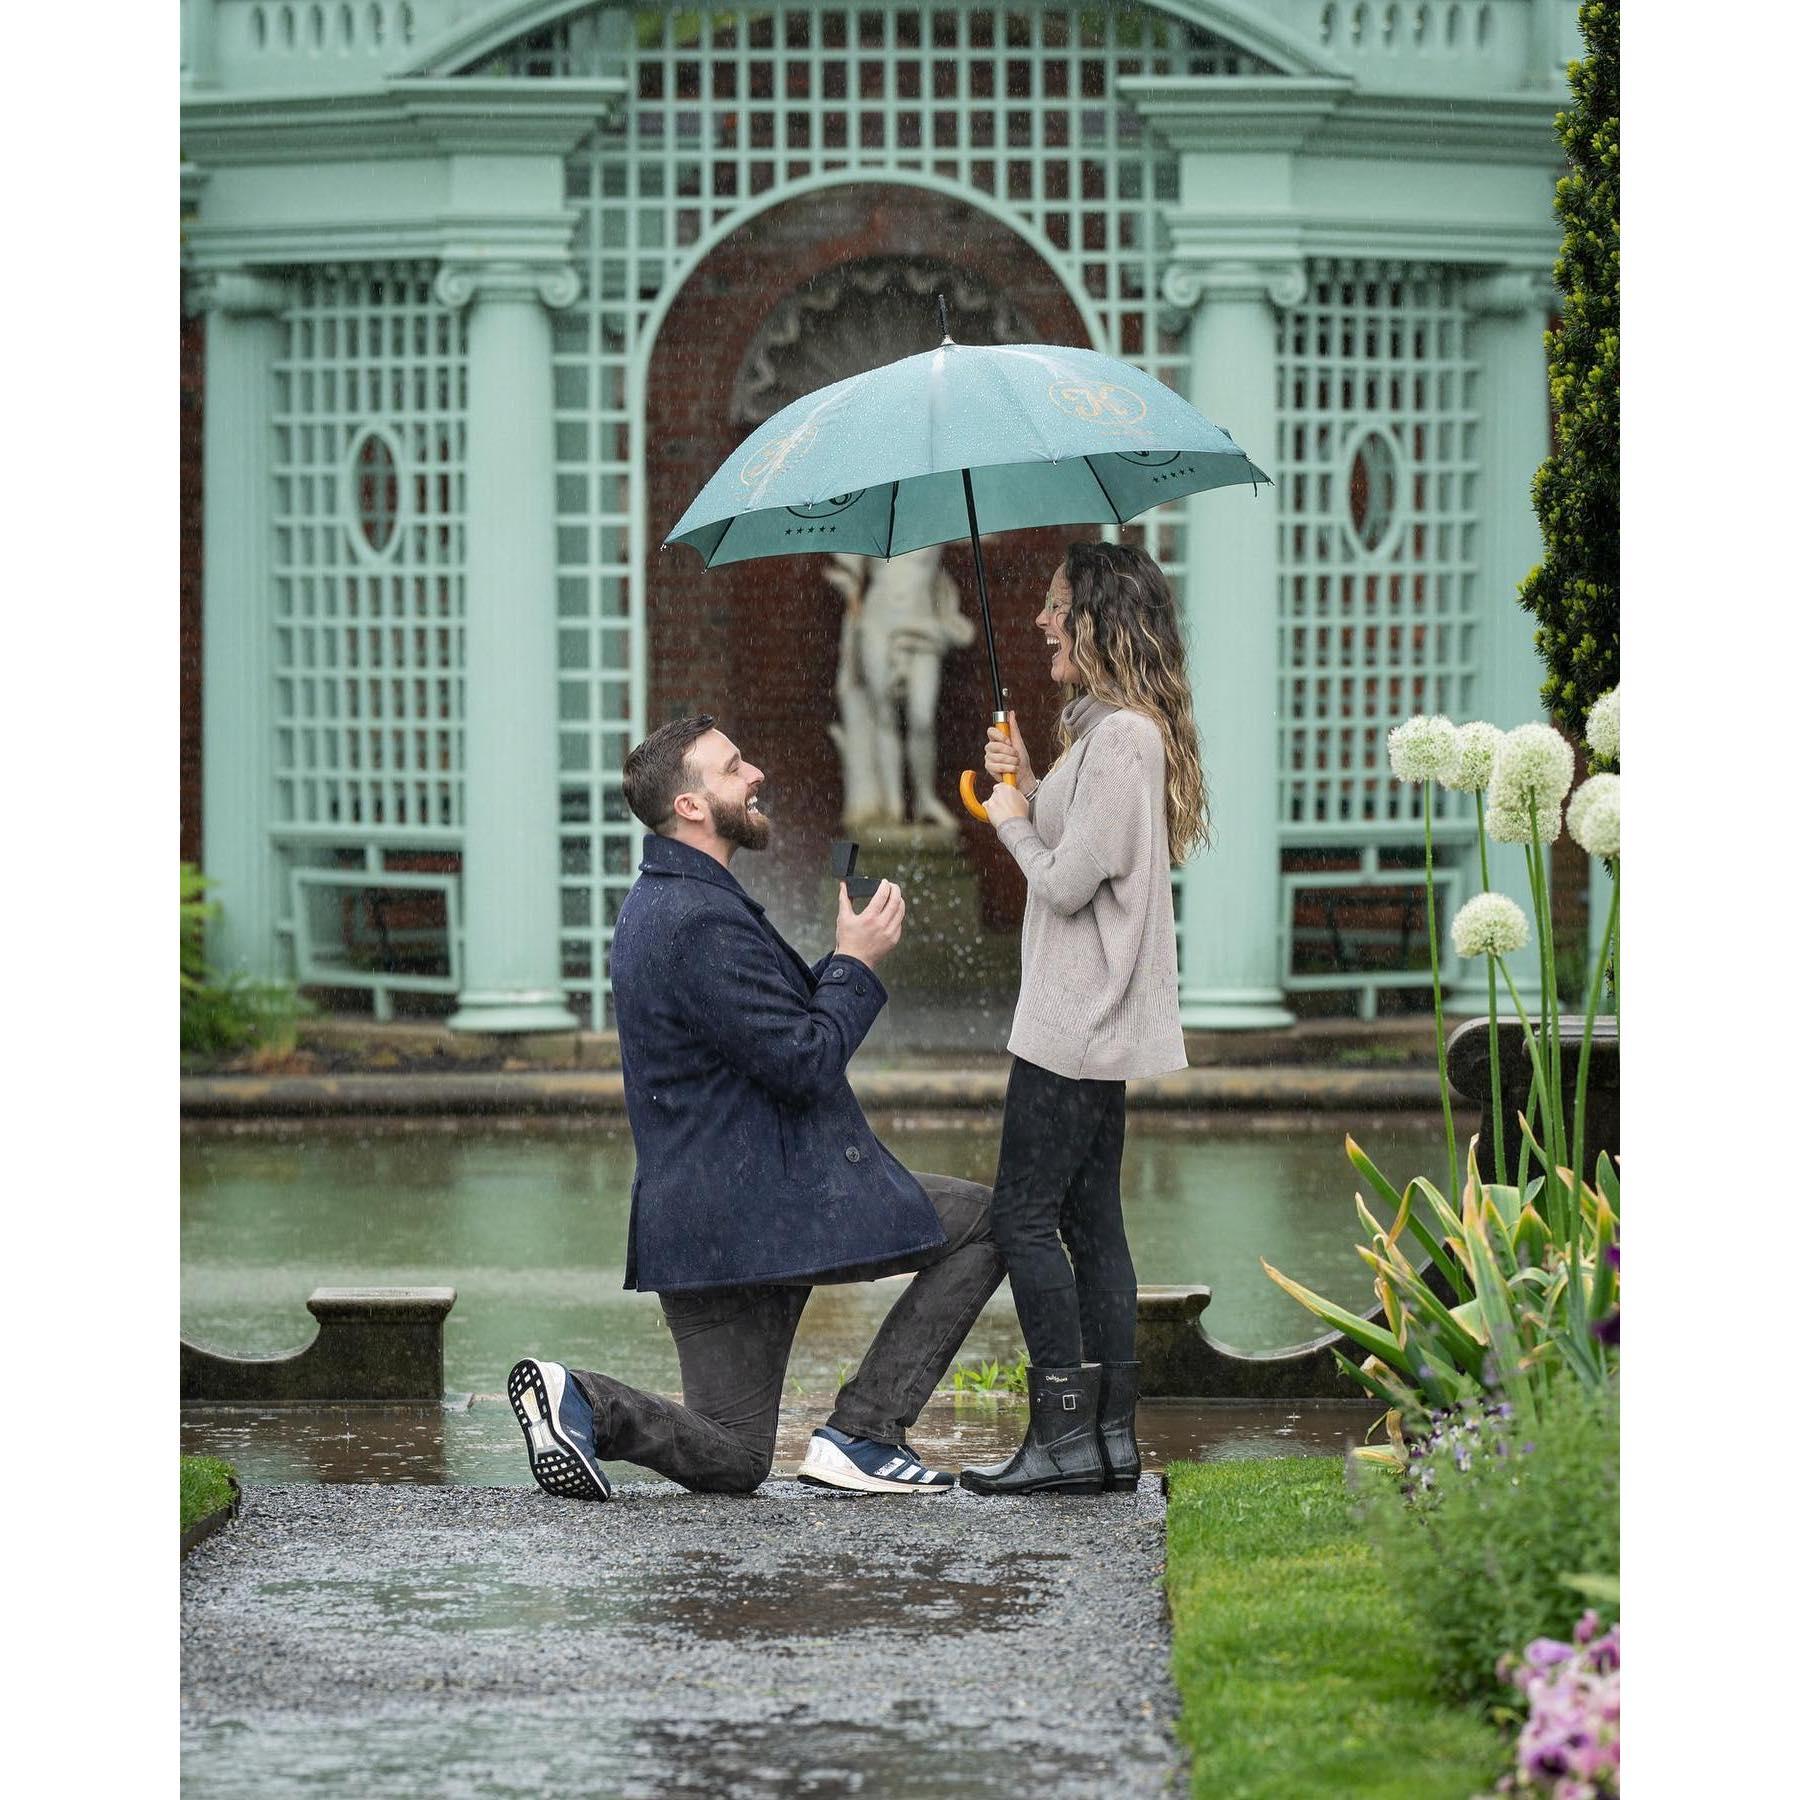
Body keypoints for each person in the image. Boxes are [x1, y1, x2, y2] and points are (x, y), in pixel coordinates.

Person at [508, 714, 1004, 1500]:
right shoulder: (698, 917)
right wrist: (856, 965)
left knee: (736, 1460)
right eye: (734, 766)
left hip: (704, 1226)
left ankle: (587, 1405)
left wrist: (839, 962)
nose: (756, 773)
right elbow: (804, 1063)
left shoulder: (667, 901)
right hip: (768, 1212)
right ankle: (867, 1433)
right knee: (989, 1219)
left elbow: (762, 1031)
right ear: (693, 806)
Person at [958, 542, 1206, 1497]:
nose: (1041, 622)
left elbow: (1064, 881)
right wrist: (1030, 776)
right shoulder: (1105, 734)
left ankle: (1064, 1435)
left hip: (1074, 1020)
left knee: (1024, 1217)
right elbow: (1083, 845)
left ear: (1101, 620)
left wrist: (1009, 814)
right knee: (1093, 1223)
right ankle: (1105, 1441)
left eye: (1059, 607)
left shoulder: (1124, 738)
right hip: (1086, 1020)